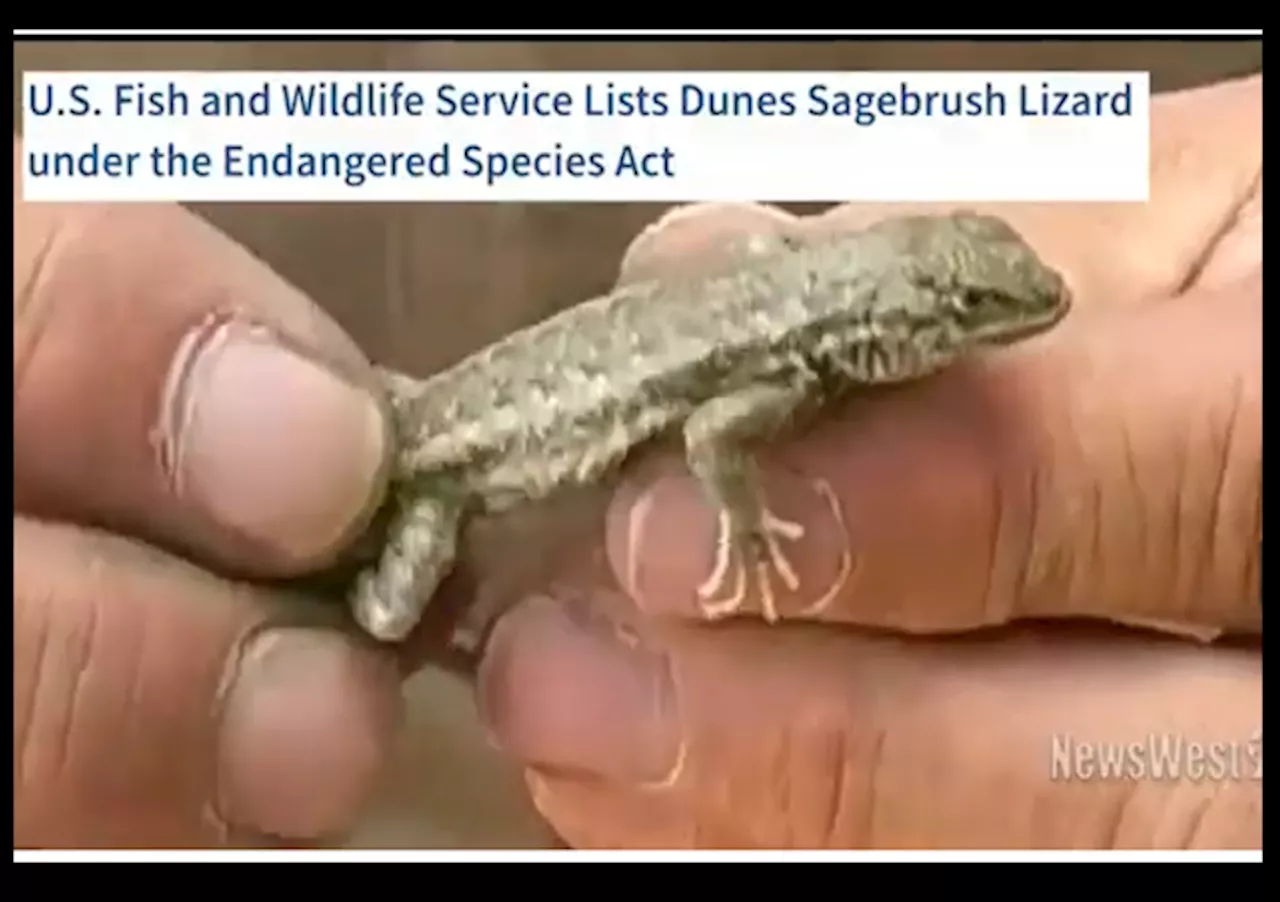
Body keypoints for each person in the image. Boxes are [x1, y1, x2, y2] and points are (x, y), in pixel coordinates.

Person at [13, 73, 1261, 850]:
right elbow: (718, 434)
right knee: (376, 613)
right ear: (897, 331)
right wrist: (750, 522)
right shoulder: (787, 368)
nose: (1009, 321)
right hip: (442, 474)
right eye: (978, 312)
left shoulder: (803, 310)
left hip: (463, 485)